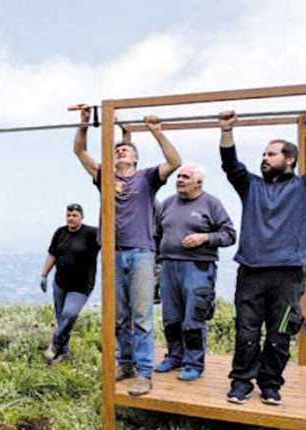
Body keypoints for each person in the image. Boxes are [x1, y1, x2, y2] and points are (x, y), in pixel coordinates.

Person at [73, 107, 181, 396]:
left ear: (135, 158)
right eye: (117, 149)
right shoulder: (104, 177)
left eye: (125, 149)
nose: (120, 151)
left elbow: (174, 161)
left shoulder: (146, 178)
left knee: (142, 314)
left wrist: (157, 132)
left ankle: (144, 373)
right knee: (119, 315)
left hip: (141, 253)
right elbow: (80, 152)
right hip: (112, 253)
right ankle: (126, 362)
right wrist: (84, 125)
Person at [218, 110, 306, 405]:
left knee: (280, 333)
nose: (265, 158)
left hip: (288, 274)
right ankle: (241, 382)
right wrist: (227, 130)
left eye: (272, 153)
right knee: (246, 331)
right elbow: (230, 165)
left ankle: (270, 383)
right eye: (264, 154)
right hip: (251, 272)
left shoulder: (301, 188)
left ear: (289, 159)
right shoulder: (251, 186)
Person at [153, 164, 236, 381]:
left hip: (198, 267)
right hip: (169, 266)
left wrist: (204, 238)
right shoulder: (168, 203)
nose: (179, 179)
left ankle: (193, 363)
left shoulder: (211, 203)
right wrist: (155, 263)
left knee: (194, 317)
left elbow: (229, 234)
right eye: (179, 176)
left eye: (185, 177)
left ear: (198, 182)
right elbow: (157, 235)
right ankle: (174, 357)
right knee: (171, 316)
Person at [40, 203, 100, 364]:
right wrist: (44, 274)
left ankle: (55, 343)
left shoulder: (91, 233)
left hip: (81, 286)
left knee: (70, 314)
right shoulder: (60, 233)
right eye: (69, 215)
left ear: (82, 217)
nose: (71, 219)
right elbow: (52, 254)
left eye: (74, 216)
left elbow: (107, 240)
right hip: (60, 283)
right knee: (62, 319)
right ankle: (61, 352)